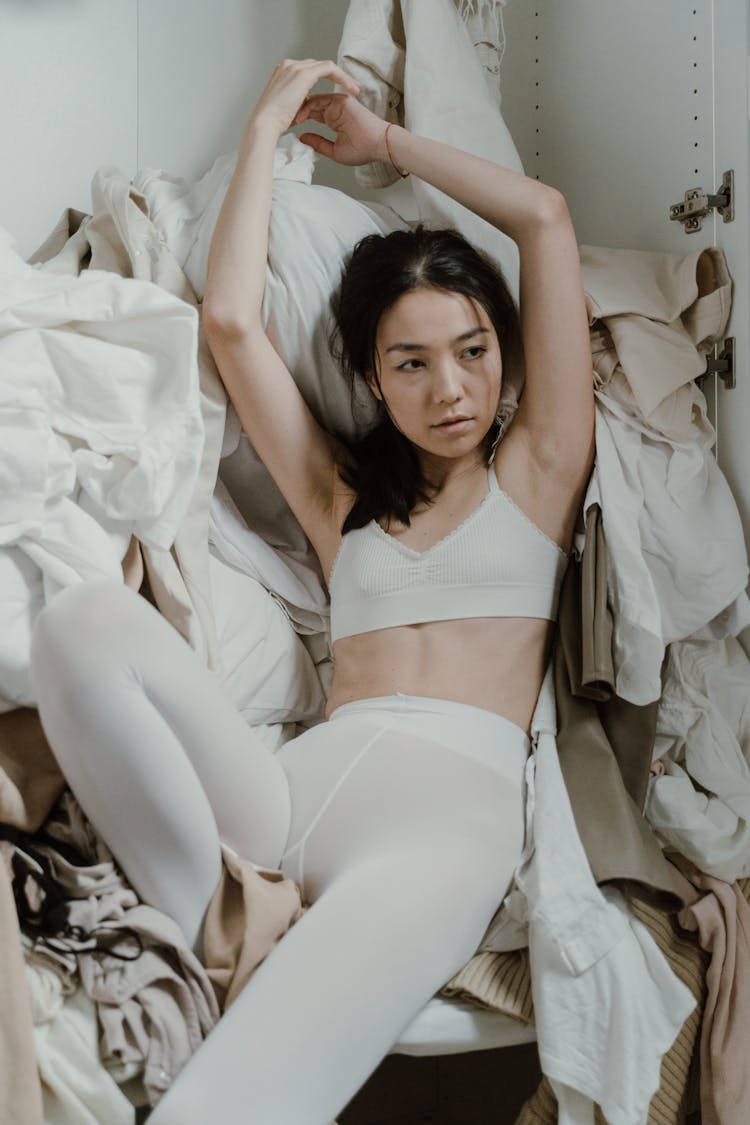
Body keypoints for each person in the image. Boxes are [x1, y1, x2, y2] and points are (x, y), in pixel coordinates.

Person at [29, 58, 594, 1125]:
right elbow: (233, 324)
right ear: (374, 380)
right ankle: (222, 928)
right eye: (413, 363)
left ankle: (232, 955)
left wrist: (383, 146)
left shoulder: (541, 473)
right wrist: (263, 131)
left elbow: (547, 220)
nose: (451, 388)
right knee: (79, 619)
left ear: (506, 358)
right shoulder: (344, 502)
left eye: (472, 351)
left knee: (233, 1103)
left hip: (437, 830)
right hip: (288, 794)